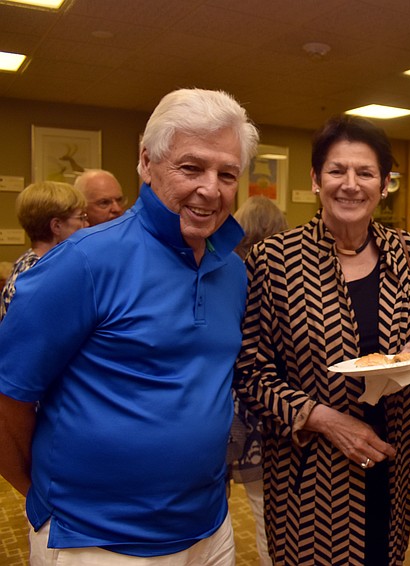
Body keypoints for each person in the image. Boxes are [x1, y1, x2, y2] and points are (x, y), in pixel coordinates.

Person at [0, 88, 259, 564]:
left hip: (210, 526)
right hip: (97, 540)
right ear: (146, 161)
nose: (211, 188)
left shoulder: (233, 271)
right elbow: (8, 394)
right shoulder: (81, 262)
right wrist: (42, 498)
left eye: (227, 173)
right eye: (191, 167)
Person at [234, 114, 410, 566]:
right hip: (312, 468)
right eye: (336, 170)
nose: (350, 184)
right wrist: (324, 419)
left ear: (385, 183)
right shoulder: (275, 260)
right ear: (315, 179)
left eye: (365, 173)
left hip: (395, 455)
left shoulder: (406, 252)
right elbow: (250, 372)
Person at [229, 195, 288, 566]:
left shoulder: (225, 272)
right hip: (275, 414)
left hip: (233, 414)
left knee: (247, 513)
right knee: (277, 517)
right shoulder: (283, 277)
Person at [0, 181, 88, 321]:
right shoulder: (42, 274)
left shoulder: (26, 262)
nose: (87, 224)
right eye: (81, 218)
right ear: (56, 226)